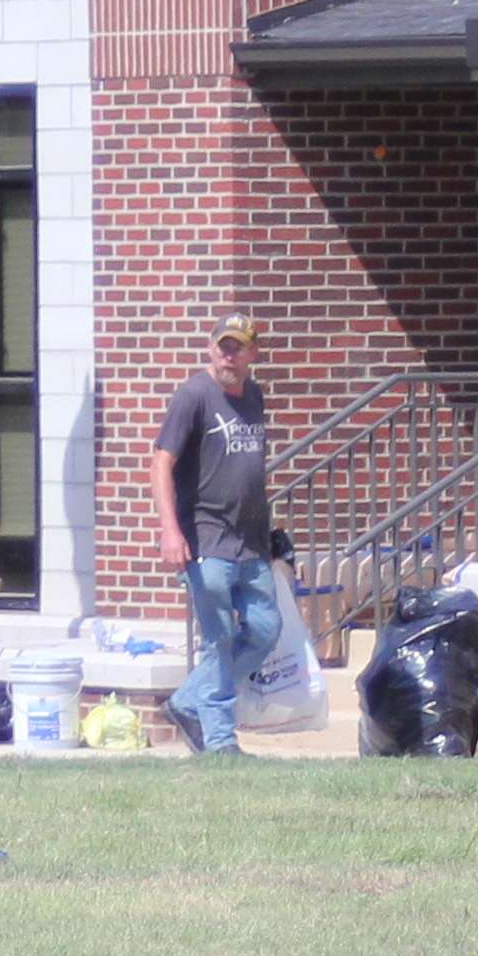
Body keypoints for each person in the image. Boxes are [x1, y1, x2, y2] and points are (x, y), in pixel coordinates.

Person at [149, 313, 283, 756]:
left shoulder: (254, 395)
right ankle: (220, 741)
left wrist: (271, 531)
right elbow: (161, 462)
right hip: (205, 541)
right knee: (219, 639)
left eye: (238, 346)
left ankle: (188, 701)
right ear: (210, 348)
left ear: (252, 353)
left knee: (265, 630)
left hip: (251, 542)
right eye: (222, 345)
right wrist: (170, 530)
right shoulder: (193, 396)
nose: (229, 354)